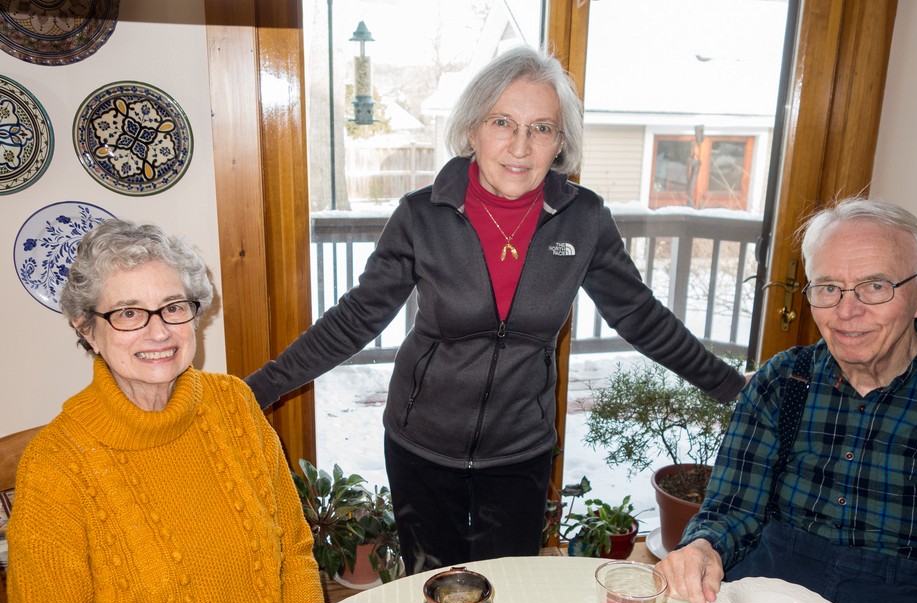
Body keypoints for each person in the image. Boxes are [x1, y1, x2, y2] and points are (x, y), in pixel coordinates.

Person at [246, 46, 745, 575]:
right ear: (472, 130)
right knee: (436, 593)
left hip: (519, 452)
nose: (521, 146)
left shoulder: (584, 221)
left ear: (560, 144)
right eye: (502, 122)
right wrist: (256, 390)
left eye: (542, 128)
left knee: (506, 593)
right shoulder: (422, 216)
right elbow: (355, 319)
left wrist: (736, 389)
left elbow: (642, 317)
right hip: (422, 446)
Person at [656, 199, 917, 603]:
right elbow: (733, 510)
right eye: (828, 288)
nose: (846, 311)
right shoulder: (782, 381)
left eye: (875, 286)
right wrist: (704, 547)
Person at [6, 221, 324, 603]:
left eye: (173, 307)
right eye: (129, 313)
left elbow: (294, 554)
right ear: (87, 328)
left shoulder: (234, 405)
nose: (159, 332)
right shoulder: (55, 468)